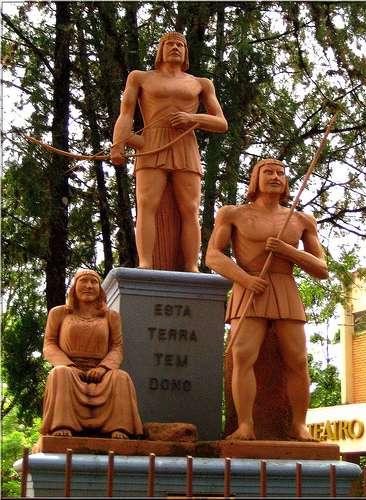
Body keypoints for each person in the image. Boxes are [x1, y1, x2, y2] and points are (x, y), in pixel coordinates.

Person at [205, 158, 328, 441]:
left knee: (298, 360)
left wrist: (289, 251)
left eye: (281, 173)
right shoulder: (232, 214)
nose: (275, 176)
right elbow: (213, 255)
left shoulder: (301, 219)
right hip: (250, 285)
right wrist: (244, 279)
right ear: (255, 179)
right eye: (268, 172)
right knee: (242, 355)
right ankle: (245, 425)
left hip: (285, 286)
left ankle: (299, 425)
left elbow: (321, 269)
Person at [111, 31, 228, 272]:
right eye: (170, 44)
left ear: (186, 53)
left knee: (190, 208)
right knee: (146, 204)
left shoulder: (200, 83)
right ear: (160, 50)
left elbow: (221, 123)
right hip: (152, 144)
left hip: (185, 145)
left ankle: (191, 266)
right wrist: (118, 145)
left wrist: (192, 118)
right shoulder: (140, 78)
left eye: (180, 45)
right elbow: (126, 113)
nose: (175, 48)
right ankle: (145, 263)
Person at [41, 269, 143, 439]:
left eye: (94, 282)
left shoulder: (111, 316)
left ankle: (118, 427)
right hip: (70, 368)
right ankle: (63, 424)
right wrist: (69, 365)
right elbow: (49, 344)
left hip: (101, 371)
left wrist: (103, 368)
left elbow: (117, 347)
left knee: (121, 378)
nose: (89, 286)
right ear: (74, 286)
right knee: (59, 374)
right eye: (84, 281)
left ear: (99, 288)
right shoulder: (59, 313)